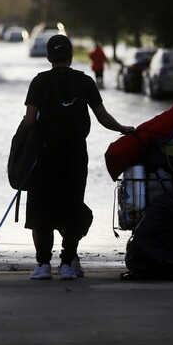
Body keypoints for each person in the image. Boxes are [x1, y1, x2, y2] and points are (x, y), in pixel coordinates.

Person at [24, 34, 132, 281]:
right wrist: (124, 129)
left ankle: (42, 265)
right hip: (75, 155)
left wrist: (37, 135)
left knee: (44, 207)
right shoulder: (84, 82)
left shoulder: (39, 83)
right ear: (71, 57)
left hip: (46, 155)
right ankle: (66, 264)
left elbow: (30, 120)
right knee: (72, 206)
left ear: (49, 57)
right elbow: (103, 117)